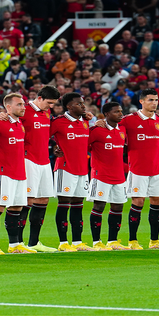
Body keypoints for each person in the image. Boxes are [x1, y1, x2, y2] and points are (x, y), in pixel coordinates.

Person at [100, 89, 159, 250]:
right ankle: (132, 241)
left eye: (156, 100)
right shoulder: (128, 120)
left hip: (157, 169)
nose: (154, 103)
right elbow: (112, 128)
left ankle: (154, 241)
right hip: (137, 169)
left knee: (158, 201)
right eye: (150, 100)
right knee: (138, 201)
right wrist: (101, 123)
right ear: (141, 102)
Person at [0, 93, 35, 254]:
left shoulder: (20, 125)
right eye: (19, 105)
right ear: (8, 107)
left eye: (23, 104)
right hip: (3, 173)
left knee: (16, 209)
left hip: (19, 173)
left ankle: (14, 245)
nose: (23, 107)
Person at [50, 92, 96, 252]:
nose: (83, 107)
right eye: (79, 104)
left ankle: (77, 242)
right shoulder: (59, 122)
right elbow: (42, 137)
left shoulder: (85, 122)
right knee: (64, 204)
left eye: (83, 104)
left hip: (82, 169)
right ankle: (63, 242)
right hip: (65, 168)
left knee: (78, 206)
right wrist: (53, 147)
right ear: (69, 107)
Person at [19, 85, 61, 252]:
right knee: (28, 200)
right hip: (28, 159)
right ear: (40, 98)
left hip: (45, 160)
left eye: (53, 104)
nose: (51, 106)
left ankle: (34, 242)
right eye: (49, 102)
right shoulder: (24, 110)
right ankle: (18, 244)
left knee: (43, 200)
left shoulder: (46, 113)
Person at [87, 102, 131, 250]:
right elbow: (83, 146)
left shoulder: (123, 130)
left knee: (118, 207)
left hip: (119, 176)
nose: (120, 114)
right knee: (99, 206)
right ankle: (96, 242)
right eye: (116, 112)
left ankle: (112, 241)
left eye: (121, 111)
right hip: (101, 175)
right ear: (106, 114)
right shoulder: (96, 130)